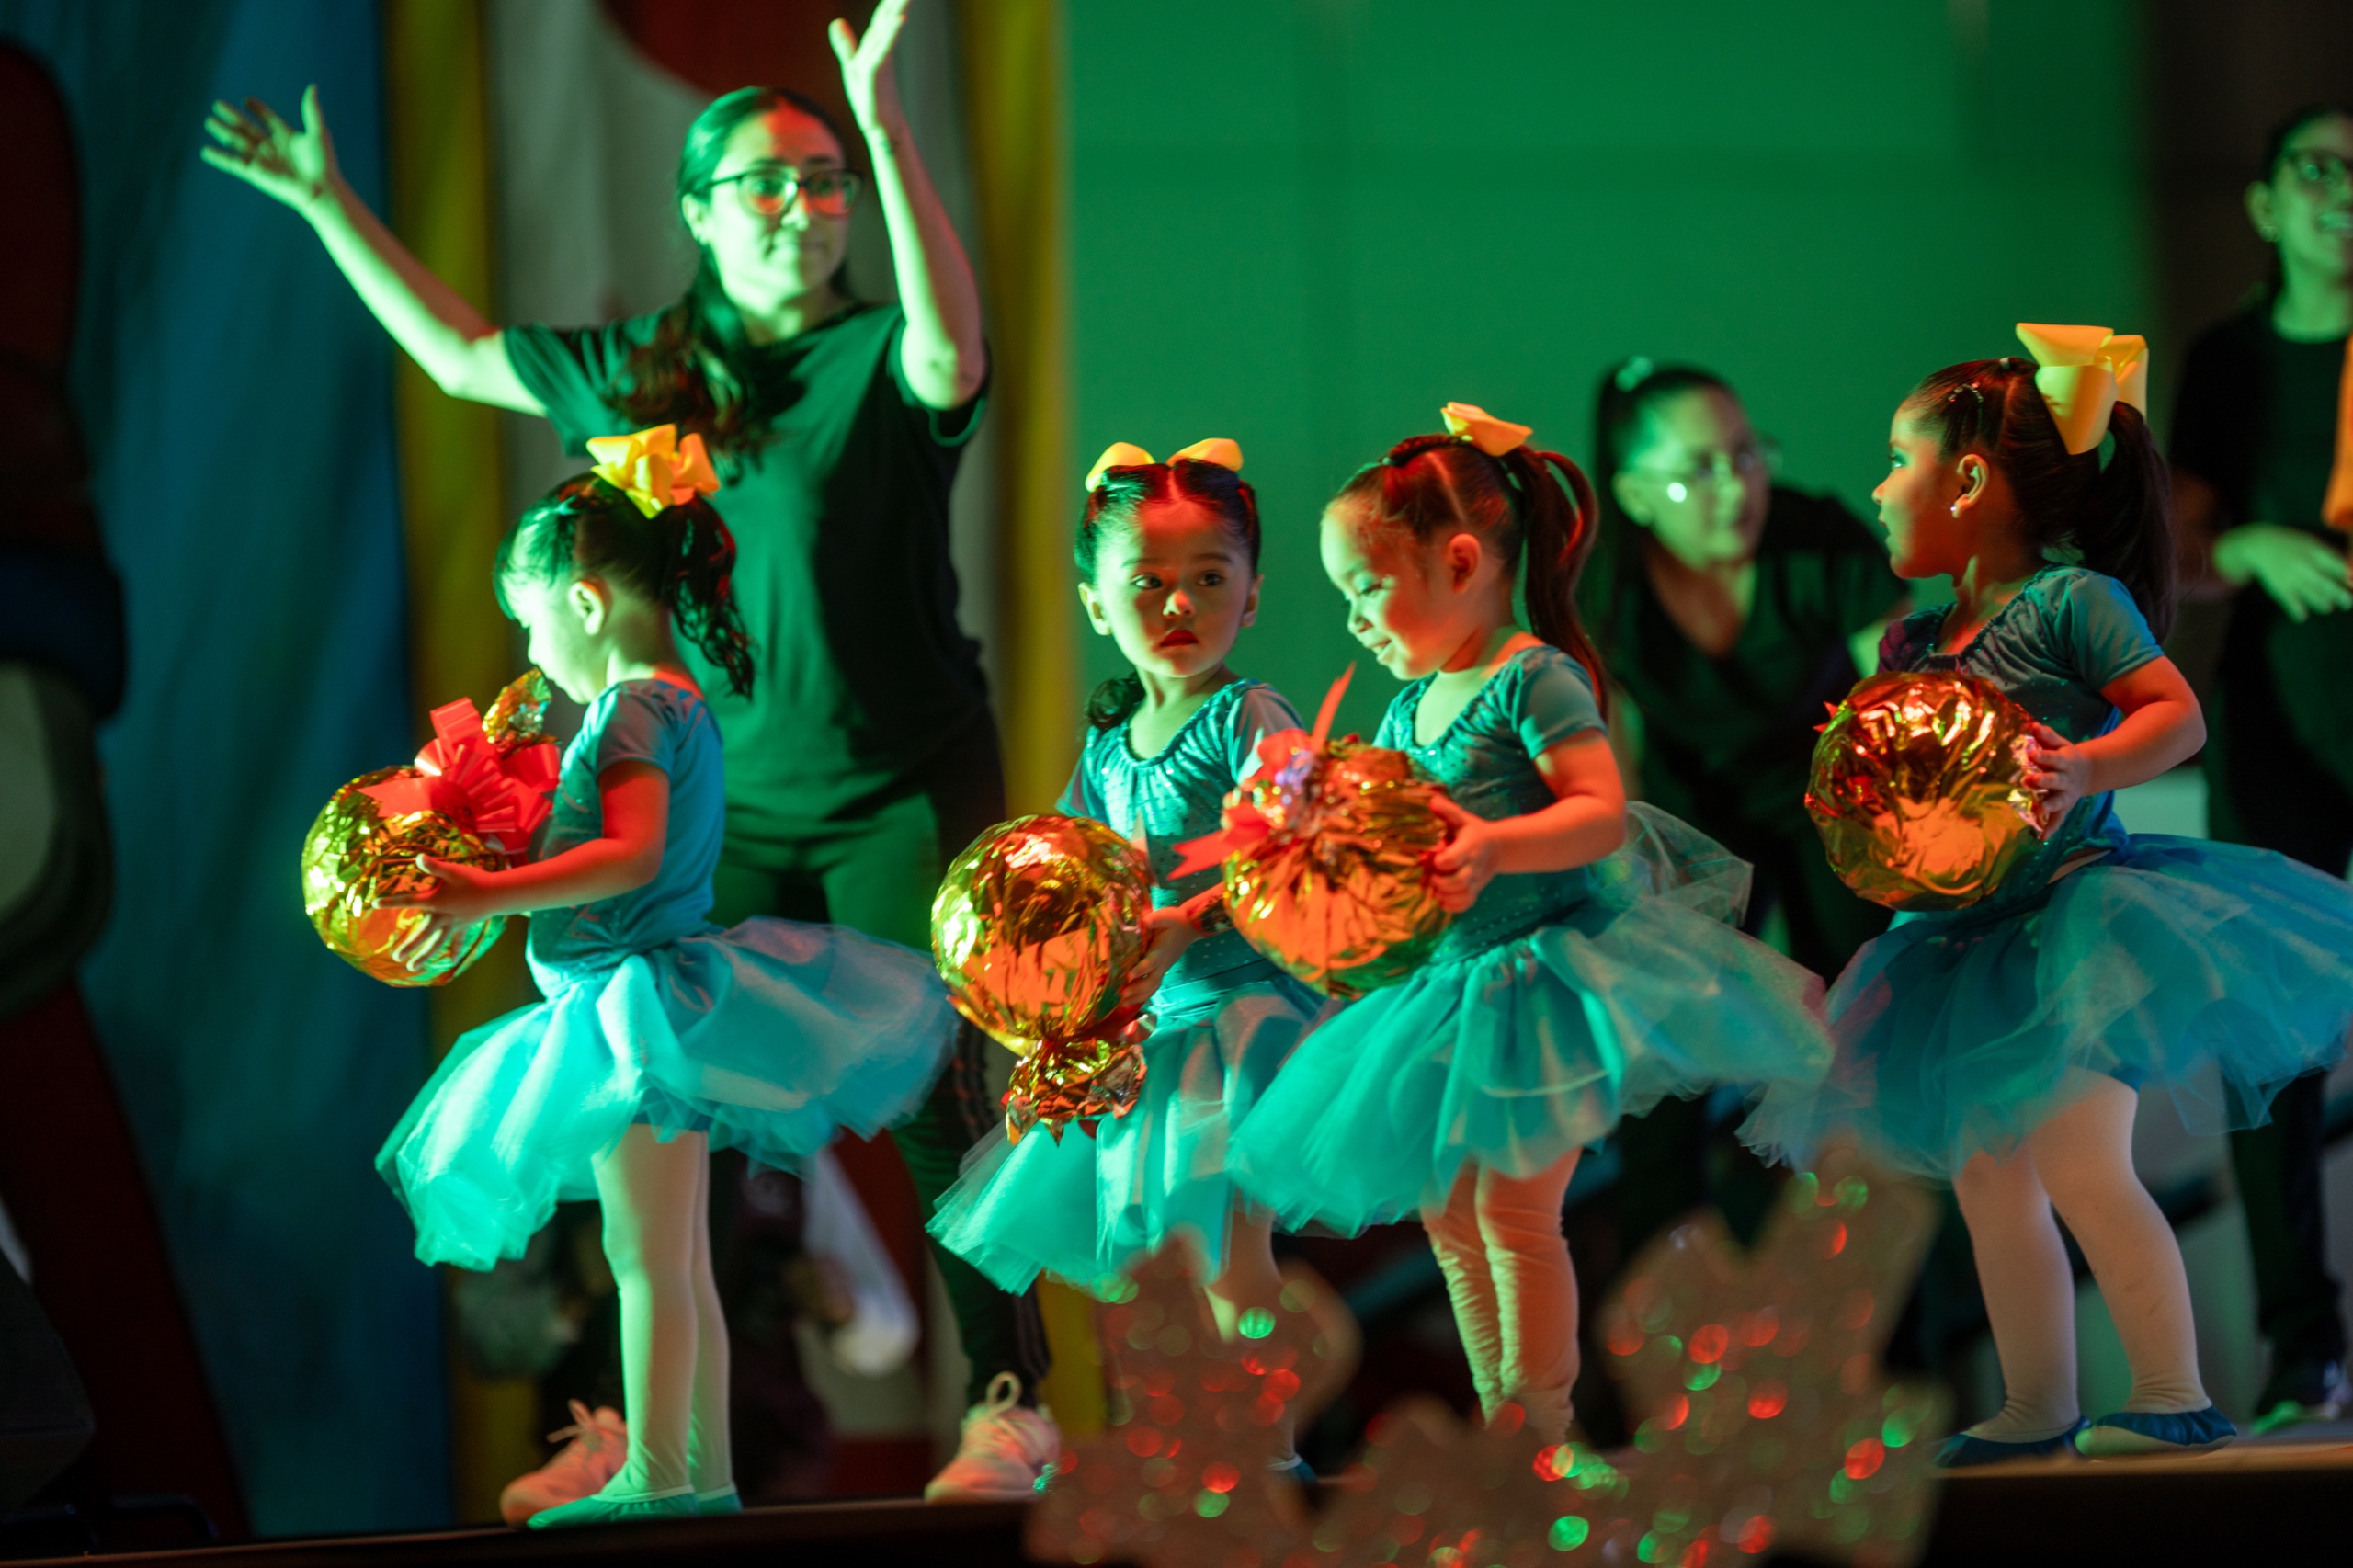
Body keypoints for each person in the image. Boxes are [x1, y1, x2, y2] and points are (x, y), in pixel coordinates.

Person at [201, 2, 1061, 1499]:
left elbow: (953, 341)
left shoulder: (874, 357)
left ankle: (1009, 1404)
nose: (802, 206)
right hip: (722, 803)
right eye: (767, 182)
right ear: (695, 212)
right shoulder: (648, 368)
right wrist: (329, 203)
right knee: (656, 1117)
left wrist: (892, 126)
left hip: (892, 792)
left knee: (941, 1089)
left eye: (824, 179)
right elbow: (467, 356)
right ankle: (652, 1448)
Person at [374, 430, 956, 1525]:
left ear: (585, 602)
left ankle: (661, 1472)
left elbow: (633, 854)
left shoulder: (635, 704)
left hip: (633, 1011)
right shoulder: (666, 701)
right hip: (647, 1004)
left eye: (532, 620)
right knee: (675, 1258)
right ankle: (696, 1469)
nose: (533, 649)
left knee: (650, 1258)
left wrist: (485, 895)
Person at [1227, 405, 1829, 1449]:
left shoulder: (1529, 675)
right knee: (1453, 1219)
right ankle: (1511, 1429)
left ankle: (1544, 1428)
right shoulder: (1403, 709)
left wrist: (1499, 844)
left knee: (1512, 1211)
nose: (1354, 619)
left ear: (1459, 560)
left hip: (1546, 983)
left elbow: (1597, 808)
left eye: (1365, 587)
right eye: (1343, 596)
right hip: (1441, 990)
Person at [1798, 335, 2353, 1465]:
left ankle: (2169, 1387)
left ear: (1965, 482)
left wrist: (2087, 767)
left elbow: (2174, 712)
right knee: (1988, 1177)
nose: (1876, 487)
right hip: (1955, 942)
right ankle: (2036, 1399)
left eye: (1893, 459)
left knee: (2080, 1162)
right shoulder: (1911, 636)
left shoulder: (2069, 602)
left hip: (2074, 924)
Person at [929, 441, 1324, 1468]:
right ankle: (1185, 1446)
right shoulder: (1109, 746)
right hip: (1146, 1038)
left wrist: (1190, 919)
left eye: (1208, 578)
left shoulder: (1248, 716)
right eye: (1145, 583)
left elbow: (1300, 846)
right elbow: (1069, 870)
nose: (1178, 604)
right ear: (1095, 602)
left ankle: (1264, 1456)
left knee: (1229, 1252)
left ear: (1251, 592)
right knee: (1149, 1256)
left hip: (1238, 1021)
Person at [1583, 358, 1908, 1267]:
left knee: (1861, 1046)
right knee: (1666, 1083)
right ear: (1636, 495)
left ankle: (1887, 1333)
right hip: (1692, 825)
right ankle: (1661, 1355)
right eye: (1699, 469)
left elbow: (1897, 701)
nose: (1735, 487)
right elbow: (1610, 762)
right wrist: (1637, 898)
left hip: (1835, 804)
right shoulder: (1605, 585)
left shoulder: (1816, 542)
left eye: (1745, 455)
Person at [2170, 102, 2353, 1435]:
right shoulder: (2226, 359)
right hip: (2283, 718)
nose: (2344, 195)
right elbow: (2179, 544)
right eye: (2318, 170)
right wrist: (2254, 548)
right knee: (2271, 1040)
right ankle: (2305, 1349)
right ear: (2268, 205)